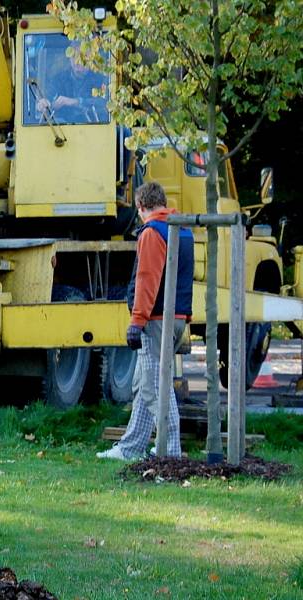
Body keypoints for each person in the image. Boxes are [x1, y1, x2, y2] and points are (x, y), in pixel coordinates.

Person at [97, 182, 194, 461]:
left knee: (154, 386)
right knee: (143, 383)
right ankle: (131, 448)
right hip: (176, 319)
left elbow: (146, 280)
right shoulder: (183, 230)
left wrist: (136, 321)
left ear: (141, 208)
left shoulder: (152, 232)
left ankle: (171, 451)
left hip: (155, 320)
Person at [36, 45, 108, 123]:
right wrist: (44, 102)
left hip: (95, 126)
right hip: (62, 129)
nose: (77, 61)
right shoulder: (59, 78)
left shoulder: (100, 79)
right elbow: (48, 95)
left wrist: (75, 102)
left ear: (91, 58)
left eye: (83, 56)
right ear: (70, 59)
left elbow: (104, 103)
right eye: (74, 56)